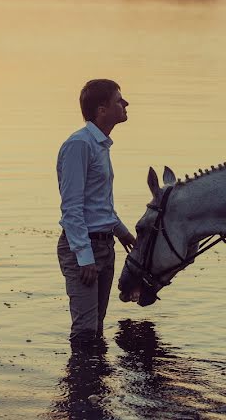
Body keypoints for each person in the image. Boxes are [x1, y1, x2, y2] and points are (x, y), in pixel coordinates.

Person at [57, 79, 137, 345]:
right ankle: (80, 383)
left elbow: (98, 204)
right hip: (85, 247)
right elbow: (72, 206)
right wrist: (84, 256)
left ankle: (95, 384)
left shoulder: (100, 145)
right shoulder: (79, 145)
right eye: (119, 100)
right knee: (85, 332)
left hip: (105, 244)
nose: (125, 104)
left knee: (98, 327)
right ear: (102, 110)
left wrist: (122, 232)